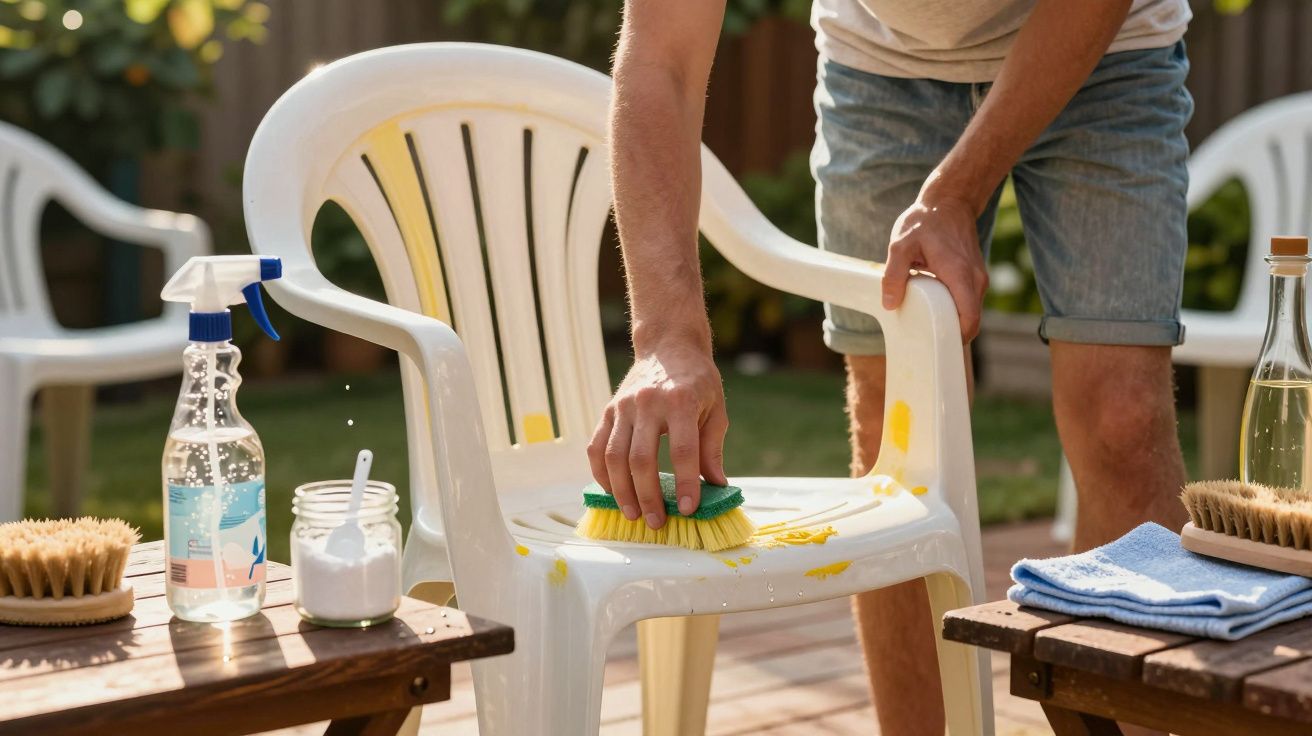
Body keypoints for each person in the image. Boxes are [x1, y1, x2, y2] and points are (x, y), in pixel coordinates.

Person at [588, 0, 1193, 733]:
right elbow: (661, 60)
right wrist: (665, 337)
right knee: (897, 430)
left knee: (1121, 418)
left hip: (1106, 52)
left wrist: (956, 193)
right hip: (884, 69)